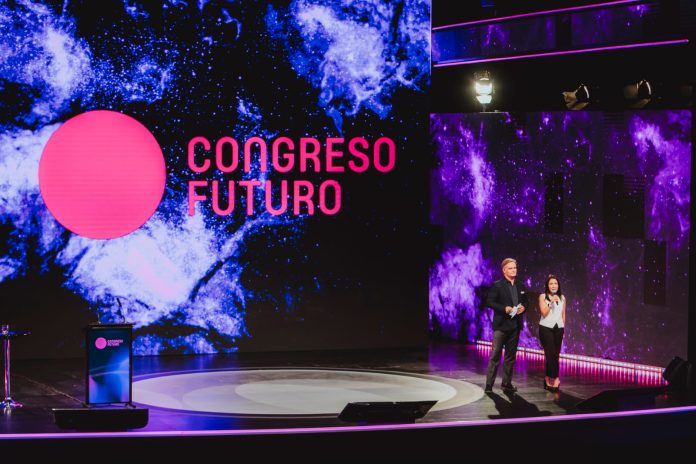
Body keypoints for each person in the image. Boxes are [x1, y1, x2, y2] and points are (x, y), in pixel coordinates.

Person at [484, 258, 527, 393]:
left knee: (510, 357)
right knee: (495, 355)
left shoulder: (521, 285)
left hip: (515, 326)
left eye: (515, 268)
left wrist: (524, 308)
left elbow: (526, 302)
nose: (514, 270)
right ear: (504, 271)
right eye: (510, 268)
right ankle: (489, 385)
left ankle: (506, 383)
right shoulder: (497, 285)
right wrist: (504, 309)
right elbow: (490, 302)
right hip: (501, 326)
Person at [538, 274, 566, 392]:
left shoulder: (562, 298)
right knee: (550, 354)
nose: (553, 285)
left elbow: (563, 314)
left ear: (558, 285)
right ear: (547, 286)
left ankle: (548, 378)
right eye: (551, 284)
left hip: (558, 328)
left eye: (555, 283)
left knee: (556, 354)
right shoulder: (542, 296)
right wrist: (551, 302)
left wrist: (563, 329)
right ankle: (554, 378)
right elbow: (544, 313)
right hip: (546, 328)